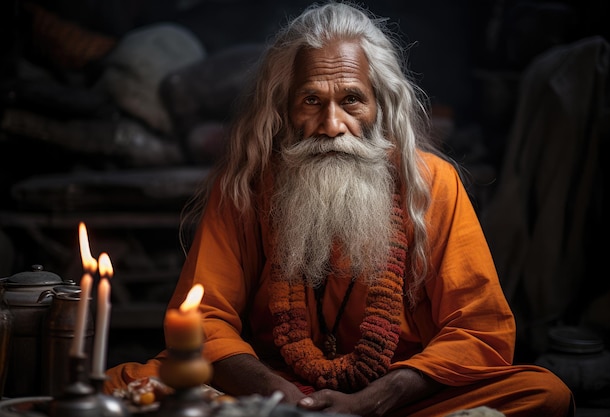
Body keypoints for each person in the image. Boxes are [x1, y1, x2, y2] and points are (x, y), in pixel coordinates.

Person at [104, 2, 575, 416]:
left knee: (542, 392)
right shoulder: (248, 186)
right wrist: (279, 395)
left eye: (351, 99)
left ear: (380, 105)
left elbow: (479, 328)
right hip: (275, 394)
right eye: (312, 100)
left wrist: (376, 399)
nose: (332, 125)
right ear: (285, 108)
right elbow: (205, 315)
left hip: (402, 398)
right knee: (120, 382)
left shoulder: (432, 184)